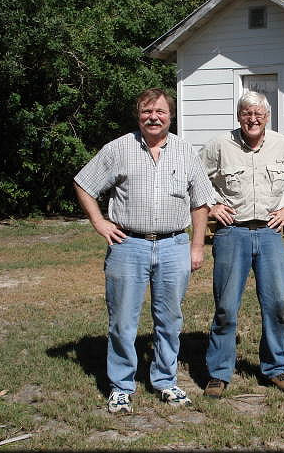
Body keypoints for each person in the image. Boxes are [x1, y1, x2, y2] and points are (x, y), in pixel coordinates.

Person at [74, 88, 217, 413]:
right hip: (128, 246)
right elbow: (84, 182)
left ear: (171, 116)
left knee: (169, 320)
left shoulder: (185, 151)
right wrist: (99, 222)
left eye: (160, 112)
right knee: (123, 321)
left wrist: (197, 246)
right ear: (138, 115)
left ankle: (166, 381)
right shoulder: (119, 148)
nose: (153, 117)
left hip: (173, 246)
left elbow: (200, 202)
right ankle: (122, 385)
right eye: (146, 112)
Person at [200, 91, 284, 398]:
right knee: (226, 307)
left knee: (275, 304)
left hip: (269, 235)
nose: (253, 119)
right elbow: (194, 177)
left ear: (267, 117)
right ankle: (218, 373)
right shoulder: (219, 146)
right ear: (239, 116)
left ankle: (274, 368)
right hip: (230, 234)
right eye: (247, 113)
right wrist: (212, 205)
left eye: (258, 114)